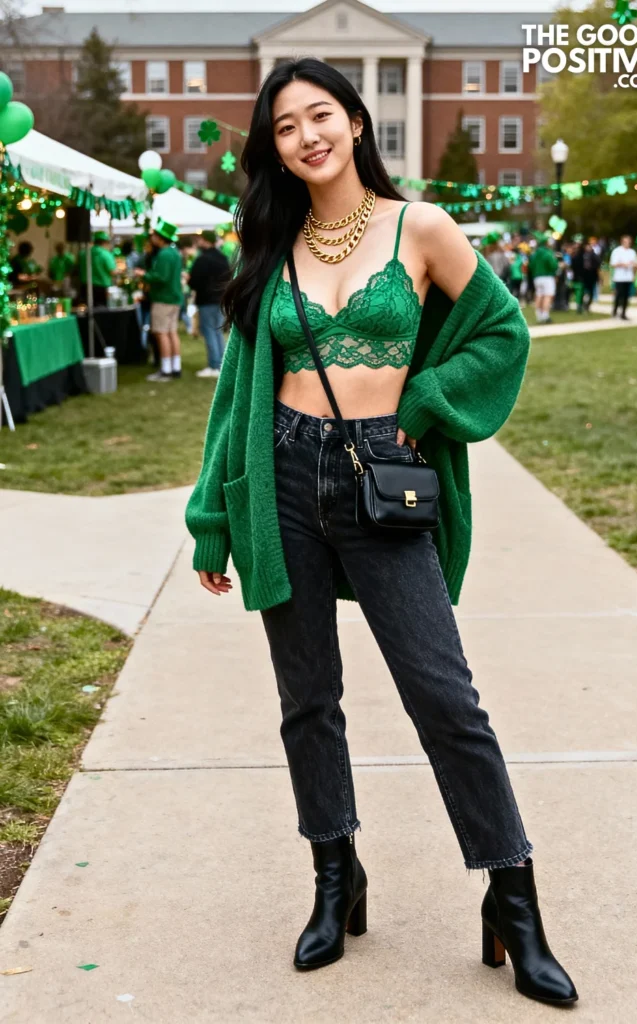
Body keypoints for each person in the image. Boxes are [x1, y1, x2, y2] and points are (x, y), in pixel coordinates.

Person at [184, 57, 578, 1006]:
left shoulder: (420, 227)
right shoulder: (270, 241)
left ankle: (511, 898)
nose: (305, 136)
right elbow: (236, 394)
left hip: (383, 474)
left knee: (445, 697)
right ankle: (334, 875)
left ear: (356, 123)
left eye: (320, 115)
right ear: (271, 148)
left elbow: (500, 332)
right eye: (284, 127)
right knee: (306, 698)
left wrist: (431, 399)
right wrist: (210, 517)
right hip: (280, 473)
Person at [137, 219, 184, 382]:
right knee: (171, 332)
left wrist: (143, 275)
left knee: (161, 333)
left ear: (160, 237)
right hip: (174, 298)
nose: (152, 238)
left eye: (155, 235)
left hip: (163, 299)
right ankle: (175, 367)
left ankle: (166, 370)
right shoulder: (175, 252)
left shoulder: (164, 254)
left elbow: (161, 277)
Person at [188, 229, 231, 377]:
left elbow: (194, 281)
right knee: (217, 332)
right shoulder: (223, 258)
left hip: (207, 300)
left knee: (210, 332)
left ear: (205, 241)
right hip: (220, 299)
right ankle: (222, 365)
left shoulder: (202, 259)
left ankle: (214, 365)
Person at [78, 231, 117, 306]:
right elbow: (112, 271)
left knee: (88, 309)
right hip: (101, 289)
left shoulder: (83, 253)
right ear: (105, 242)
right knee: (101, 311)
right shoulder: (106, 254)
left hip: (85, 287)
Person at [528, 235, 558, 324]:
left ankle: (539, 315)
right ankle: (545, 315)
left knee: (539, 295)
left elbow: (531, 266)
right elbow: (553, 265)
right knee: (547, 296)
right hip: (547, 276)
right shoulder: (548, 253)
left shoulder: (535, 253)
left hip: (537, 277)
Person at [609, 234, 637, 320]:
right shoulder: (617, 251)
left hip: (628, 277)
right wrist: (622, 264)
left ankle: (623, 313)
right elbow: (612, 264)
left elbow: (634, 264)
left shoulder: (632, 252)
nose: (627, 243)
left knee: (626, 296)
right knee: (618, 295)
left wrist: (634, 272)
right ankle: (615, 311)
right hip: (619, 277)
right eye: (625, 241)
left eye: (629, 242)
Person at [571, 240, 601, 314]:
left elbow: (598, 265)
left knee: (590, 292)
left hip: (591, 277)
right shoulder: (580, 256)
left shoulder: (594, 255)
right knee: (581, 292)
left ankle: (586, 305)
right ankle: (580, 306)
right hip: (583, 277)